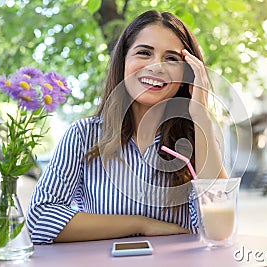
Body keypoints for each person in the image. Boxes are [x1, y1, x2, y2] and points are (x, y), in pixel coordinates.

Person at [26, 10, 227, 244]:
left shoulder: (197, 139)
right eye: (144, 53)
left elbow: (218, 230)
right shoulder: (83, 135)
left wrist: (200, 113)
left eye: (171, 58)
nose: (156, 66)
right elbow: (40, 220)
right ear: (123, 59)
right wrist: (141, 224)